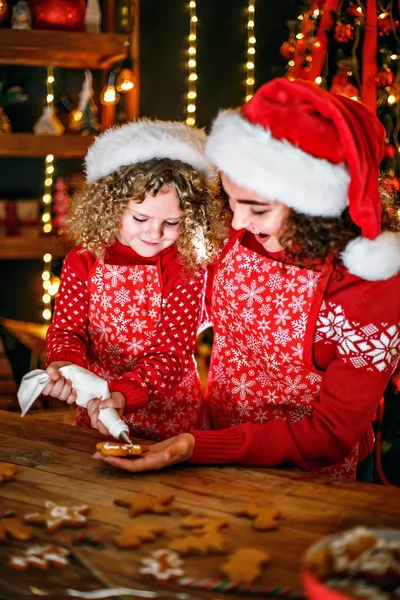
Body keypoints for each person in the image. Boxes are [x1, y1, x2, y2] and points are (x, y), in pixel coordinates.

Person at [93, 78, 400, 479]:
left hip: (305, 478)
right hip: (205, 451)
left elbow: (329, 436)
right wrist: (121, 385)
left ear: (315, 206)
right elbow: (181, 317)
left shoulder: (371, 286)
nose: (236, 221)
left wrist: (197, 447)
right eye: (231, 200)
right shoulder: (241, 232)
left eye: (256, 208)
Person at [43, 119, 222, 440]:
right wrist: (66, 366)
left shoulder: (185, 266)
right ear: (111, 208)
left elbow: (171, 353)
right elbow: (67, 330)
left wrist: (124, 394)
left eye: (171, 222)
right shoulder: (82, 261)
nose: (154, 233)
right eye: (141, 218)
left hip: (172, 418)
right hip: (98, 411)